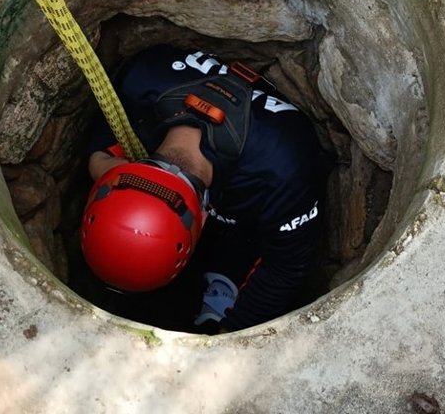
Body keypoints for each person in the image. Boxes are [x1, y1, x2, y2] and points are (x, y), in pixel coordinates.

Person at [80, 45, 327, 333]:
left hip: (255, 212)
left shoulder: (285, 168)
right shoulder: (140, 81)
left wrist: (232, 333)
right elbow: (103, 138)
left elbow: (285, 267)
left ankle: (227, 277)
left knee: (243, 240)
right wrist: (97, 162)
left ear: (206, 217)